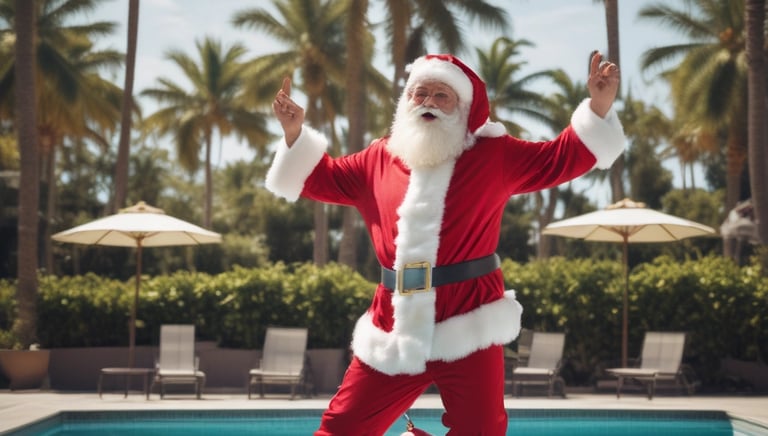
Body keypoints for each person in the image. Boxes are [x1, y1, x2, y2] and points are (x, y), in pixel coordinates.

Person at [266, 52, 624, 435]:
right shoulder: (377, 159)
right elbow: (320, 177)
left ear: (463, 108)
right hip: (393, 323)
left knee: (482, 431)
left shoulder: (494, 154)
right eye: (420, 93)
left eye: (442, 95)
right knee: (341, 429)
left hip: (470, 318)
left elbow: (560, 157)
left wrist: (599, 108)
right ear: (406, 101)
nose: (429, 103)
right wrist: (294, 133)